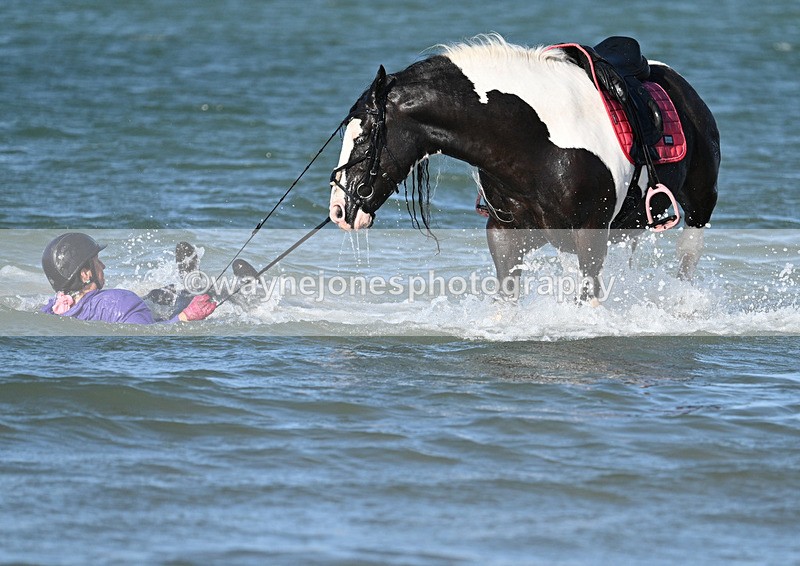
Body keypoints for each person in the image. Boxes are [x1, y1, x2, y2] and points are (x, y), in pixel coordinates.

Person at [40, 233, 216, 324]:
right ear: (85, 274)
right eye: (97, 261)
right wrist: (186, 317)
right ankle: (193, 286)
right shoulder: (121, 301)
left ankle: (182, 285)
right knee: (178, 299)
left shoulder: (51, 309)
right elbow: (148, 337)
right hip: (147, 316)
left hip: (134, 311)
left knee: (155, 297)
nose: (103, 266)